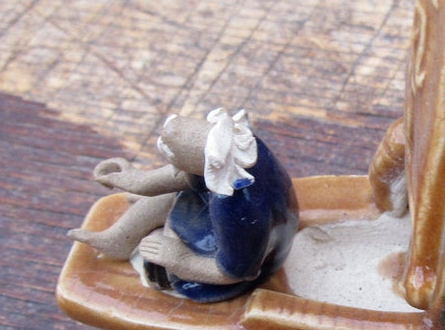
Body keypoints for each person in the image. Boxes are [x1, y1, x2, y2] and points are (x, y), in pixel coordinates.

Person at [69, 108, 298, 302]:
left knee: (173, 203)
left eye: (171, 155)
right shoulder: (239, 146)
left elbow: (237, 272)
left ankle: (159, 265)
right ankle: (118, 239)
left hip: (224, 267)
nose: (171, 163)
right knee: (170, 194)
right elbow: (186, 175)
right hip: (246, 225)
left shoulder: (237, 209)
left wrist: (180, 259)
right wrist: (136, 180)